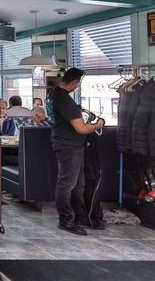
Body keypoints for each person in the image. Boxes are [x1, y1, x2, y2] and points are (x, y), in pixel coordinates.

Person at [47, 67, 105, 236]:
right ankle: (65, 219)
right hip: (69, 145)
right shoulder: (64, 99)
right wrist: (97, 125)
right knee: (67, 183)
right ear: (75, 82)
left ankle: (79, 216)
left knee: (78, 184)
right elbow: (80, 128)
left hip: (66, 142)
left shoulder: (53, 94)